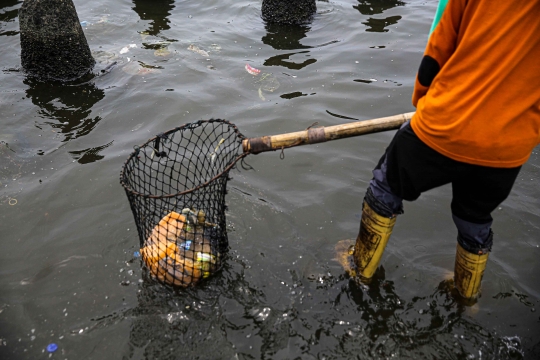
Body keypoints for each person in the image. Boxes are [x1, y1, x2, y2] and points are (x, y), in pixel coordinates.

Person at [351, 0, 540, 300]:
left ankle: (359, 267)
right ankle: (466, 295)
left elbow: (438, 46)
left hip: (447, 121)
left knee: (386, 186)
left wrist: (424, 104)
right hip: (509, 145)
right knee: (475, 216)